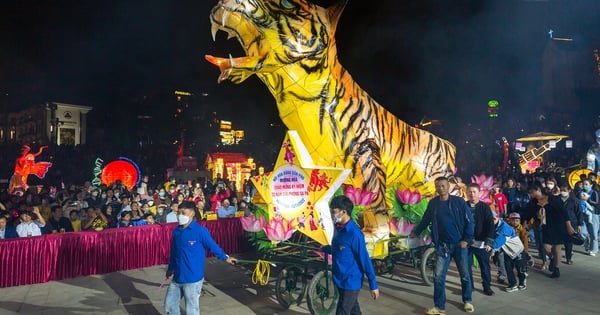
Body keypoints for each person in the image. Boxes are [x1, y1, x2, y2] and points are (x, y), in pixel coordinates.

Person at [410, 177, 475, 314]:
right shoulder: (433, 204)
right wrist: (416, 232)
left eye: (443, 185)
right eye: (438, 186)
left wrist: (466, 240)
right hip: (443, 246)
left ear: (448, 186)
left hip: (459, 245)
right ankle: (439, 307)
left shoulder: (459, 202)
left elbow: (470, 222)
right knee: (438, 276)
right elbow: (426, 219)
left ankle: (467, 301)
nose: (441, 188)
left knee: (465, 275)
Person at [164, 201, 237, 315]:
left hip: (192, 279)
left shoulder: (200, 231)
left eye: (183, 213)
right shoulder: (176, 232)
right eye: (179, 213)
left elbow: (212, 246)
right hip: (177, 276)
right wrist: (170, 268)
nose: (180, 216)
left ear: (192, 213)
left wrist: (225, 257)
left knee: (192, 309)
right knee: (170, 305)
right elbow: (174, 252)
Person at [322, 195, 379, 315]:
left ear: (343, 212)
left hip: (351, 281)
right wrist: (326, 249)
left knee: (342, 311)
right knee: (354, 310)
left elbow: (365, 260)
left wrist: (373, 284)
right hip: (339, 279)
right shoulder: (338, 229)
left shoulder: (354, 234)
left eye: (334, 212)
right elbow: (339, 249)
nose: (332, 215)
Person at [527, 182, 575, 278]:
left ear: (539, 190)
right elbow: (530, 213)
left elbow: (564, 213)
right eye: (530, 193)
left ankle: (556, 269)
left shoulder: (554, 199)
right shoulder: (533, 202)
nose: (531, 195)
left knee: (557, 247)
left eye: (532, 192)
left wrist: (569, 226)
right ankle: (552, 258)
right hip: (545, 226)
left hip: (558, 225)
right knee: (545, 246)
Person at [465, 183, 496, 296]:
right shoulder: (463, 206)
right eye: (469, 192)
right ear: (466, 193)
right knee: (466, 266)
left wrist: (489, 242)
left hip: (481, 242)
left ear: (479, 193)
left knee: (485, 266)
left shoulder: (484, 207)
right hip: (466, 242)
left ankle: (487, 287)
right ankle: (470, 287)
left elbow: (490, 225)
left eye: (474, 192)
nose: (472, 194)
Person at [487, 211, 525, 292]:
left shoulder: (505, 228)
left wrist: (489, 248)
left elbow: (498, 242)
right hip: (507, 252)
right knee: (508, 268)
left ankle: (522, 282)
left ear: (495, 218)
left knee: (520, 269)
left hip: (518, 251)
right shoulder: (494, 226)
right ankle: (513, 284)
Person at [560, 183, 584, 264]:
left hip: (572, 223)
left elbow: (579, 213)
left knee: (569, 242)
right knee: (558, 241)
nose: (562, 192)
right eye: (561, 190)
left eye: (564, 190)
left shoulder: (574, 200)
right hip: (559, 223)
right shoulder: (558, 200)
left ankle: (568, 258)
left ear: (569, 191)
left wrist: (579, 224)